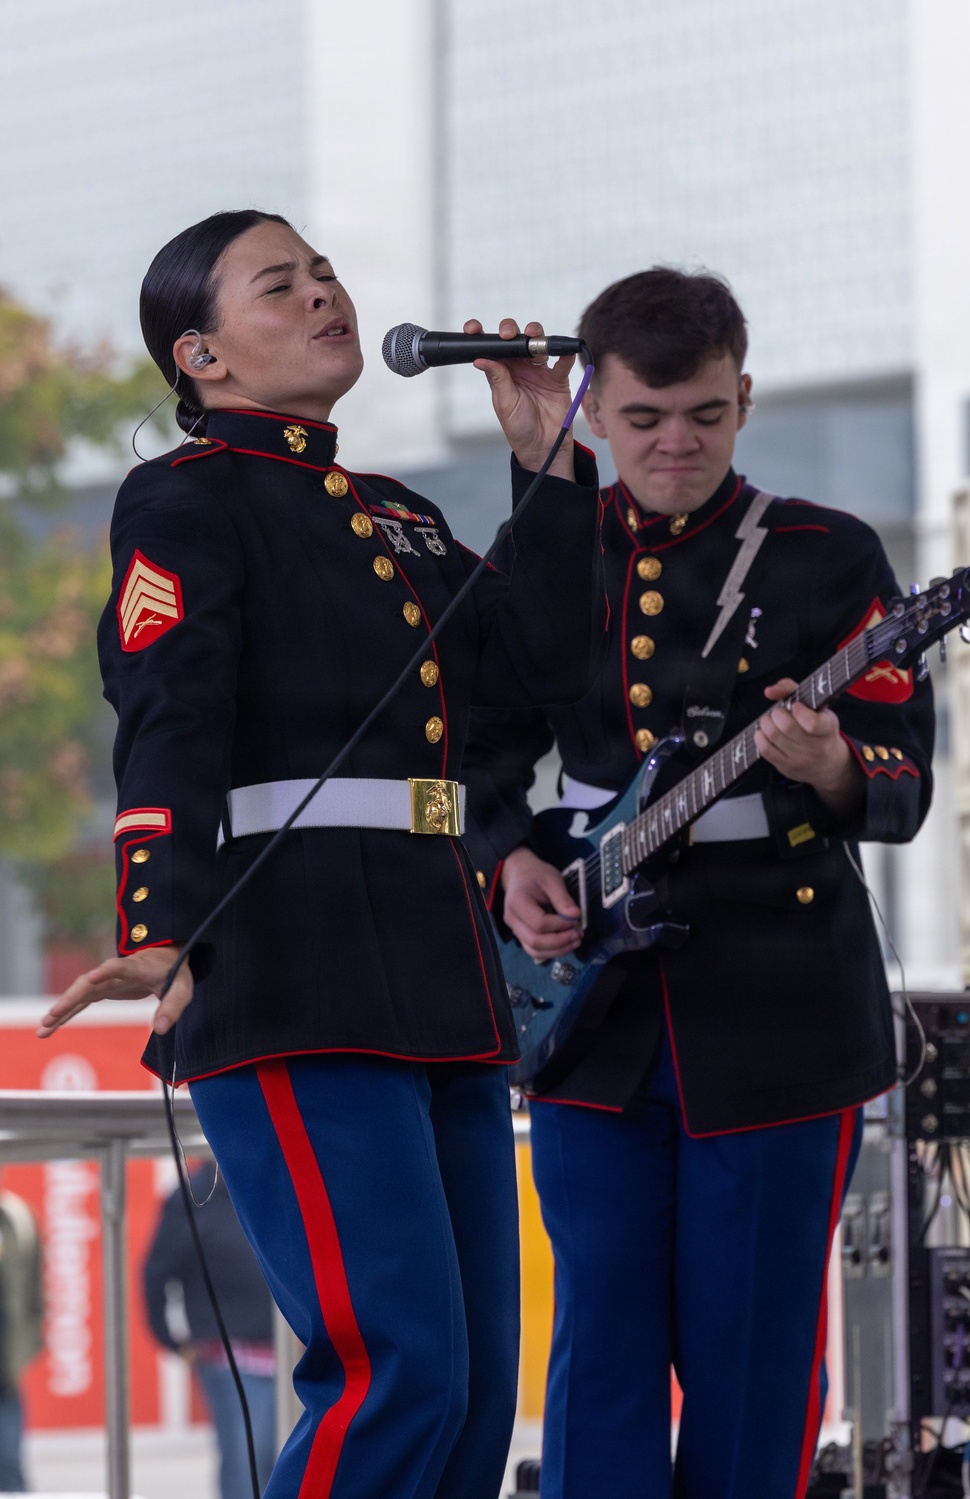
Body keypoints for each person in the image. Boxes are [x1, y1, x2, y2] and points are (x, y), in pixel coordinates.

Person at [36, 208, 606, 1499]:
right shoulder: (182, 497)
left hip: (439, 964)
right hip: (293, 963)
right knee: (394, 1369)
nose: (321, 295)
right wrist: (159, 921)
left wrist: (544, 461)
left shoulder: (398, 516)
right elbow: (170, 711)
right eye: (279, 285)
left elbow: (541, 668)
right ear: (201, 358)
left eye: (326, 274)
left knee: (472, 1387)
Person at [462, 268, 935, 1499]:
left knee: (755, 1358)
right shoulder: (547, 546)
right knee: (599, 1347)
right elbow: (476, 746)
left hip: (780, 1006)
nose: (676, 442)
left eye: (706, 415)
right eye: (643, 417)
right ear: (591, 408)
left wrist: (832, 765)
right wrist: (510, 857)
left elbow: (904, 775)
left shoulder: (829, 553)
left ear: (745, 398)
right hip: (587, 1004)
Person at [144, 1163, 276, 1499]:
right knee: (249, 1459)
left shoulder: (274, 1181)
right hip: (230, 1353)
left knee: (286, 1459)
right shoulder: (194, 1195)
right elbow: (156, 1274)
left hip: (297, 1351)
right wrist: (171, 1340)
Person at [0, 1186, 43, 1492]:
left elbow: (33, 1293)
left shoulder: (17, 1218)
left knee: (10, 1466)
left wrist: (22, 1352)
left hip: (5, 1372)